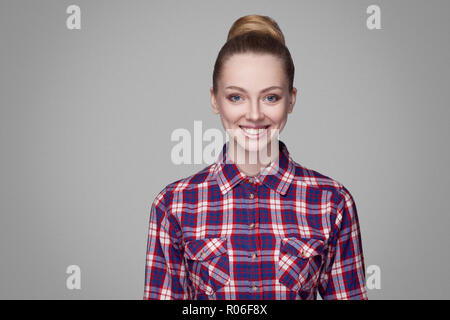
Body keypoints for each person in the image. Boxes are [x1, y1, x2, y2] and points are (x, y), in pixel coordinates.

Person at [143, 14, 367, 300]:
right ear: (215, 99)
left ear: (291, 99)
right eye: (236, 97)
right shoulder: (173, 205)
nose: (254, 114)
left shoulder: (333, 202)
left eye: (270, 97)